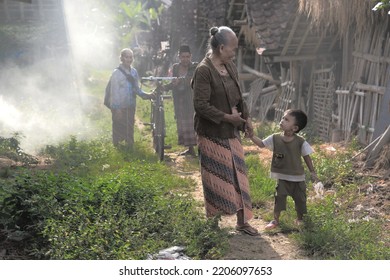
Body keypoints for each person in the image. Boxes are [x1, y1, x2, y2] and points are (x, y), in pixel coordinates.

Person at [191, 26, 259, 236]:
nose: (234, 53)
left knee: (239, 175)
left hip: (231, 132)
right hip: (211, 133)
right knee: (215, 178)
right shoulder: (204, 70)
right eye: (232, 48)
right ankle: (214, 224)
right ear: (221, 47)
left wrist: (246, 120)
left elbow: (239, 96)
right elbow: (200, 105)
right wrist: (228, 117)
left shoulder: (230, 67)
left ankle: (242, 222)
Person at [250, 109, 319, 230]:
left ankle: (300, 219)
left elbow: (306, 157)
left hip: (298, 177)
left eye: (286, 119)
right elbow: (261, 144)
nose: (282, 121)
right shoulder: (275, 138)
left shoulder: (300, 142)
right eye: (283, 118)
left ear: (295, 128)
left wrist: (312, 172)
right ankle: (275, 220)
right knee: (279, 198)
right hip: (282, 177)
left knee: (300, 199)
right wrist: (251, 136)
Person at [107, 48, 154, 148]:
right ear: (122, 58)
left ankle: (130, 147)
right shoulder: (116, 73)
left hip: (130, 104)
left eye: (131, 57)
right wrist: (117, 108)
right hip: (119, 106)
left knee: (129, 127)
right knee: (118, 126)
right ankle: (118, 148)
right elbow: (114, 92)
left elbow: (136, 89)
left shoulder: (134, 72)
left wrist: (147, 95)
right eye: (126, 57)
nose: (129, 59)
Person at [164, 45, 198, 156]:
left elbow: (190, 80)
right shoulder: (175, 68)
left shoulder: (194, 67)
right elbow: (173, 82)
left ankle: (197, 149)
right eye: (183, 57)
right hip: (179, 100)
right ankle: (190, 149)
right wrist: (165, 87)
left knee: (193, 124)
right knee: (182, 124)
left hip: (191, 100)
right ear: (179, 56)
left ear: (190, 56)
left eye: (187, 57)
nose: (185, 59)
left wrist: (180, 82)